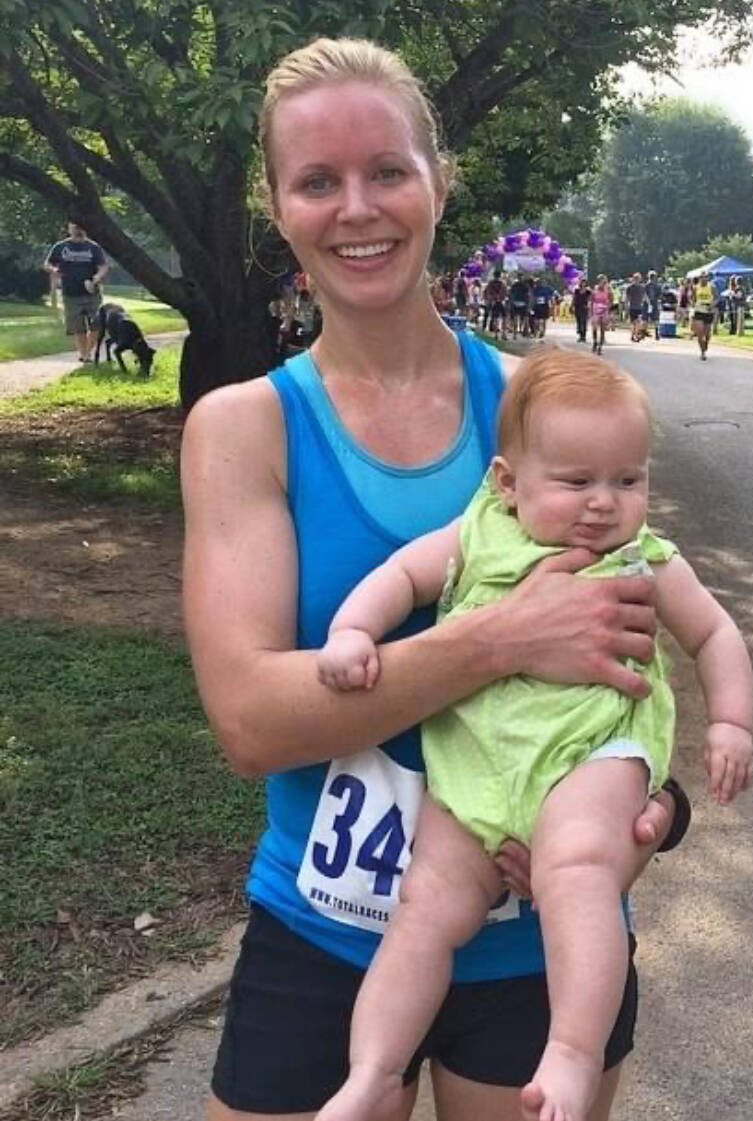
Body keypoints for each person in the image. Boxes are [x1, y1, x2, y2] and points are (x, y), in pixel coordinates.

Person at [181, 37, 687, 1121]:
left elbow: (640, 638)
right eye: (318, 180)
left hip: (531, 941)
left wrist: (657, 810)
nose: (357, 207)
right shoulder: (245, 428)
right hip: (323, 925)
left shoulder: (543, 408)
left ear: (438, 183)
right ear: (279, 207)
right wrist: (501, 638)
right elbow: (252, 721)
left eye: (388, 171)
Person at [315, 349, 753, 1121]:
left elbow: (714, 631)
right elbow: (403, 577)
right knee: (425, 907)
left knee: (579, 870)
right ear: (507, 481)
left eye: (628, 479)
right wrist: (355, 630)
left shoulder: (645, 557)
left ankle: (571, 1052)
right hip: (476, 768)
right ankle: (371, 1071)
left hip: (591, 755)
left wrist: (730, 721)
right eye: (577, 481)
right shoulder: (480, 533)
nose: (604, 503)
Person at [43, 220, 110, 363]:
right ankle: (84, 355)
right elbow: (47, 263)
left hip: (92, 293)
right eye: (75, 227)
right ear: (69, 228)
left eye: (81, 227)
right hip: (71, 293)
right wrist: (54, 270)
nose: (78, 230)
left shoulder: (93, 247)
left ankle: (87, 353)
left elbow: (103, 266)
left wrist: (96, 278)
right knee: (78, 327)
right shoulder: (60, 247)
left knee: (96, 325)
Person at [691, 274, 715, 360]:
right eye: (702, 277)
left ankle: (706, 344)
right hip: (699, 311)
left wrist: (712, 305)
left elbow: (716, 298)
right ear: (700, 279)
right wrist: (693, 306)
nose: (704, 279)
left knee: (707, 334)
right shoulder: (695, 287)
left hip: (708, 311)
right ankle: (702, 352)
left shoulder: (711, 287)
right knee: (700, 332)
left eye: (705, 277)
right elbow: (693, 299)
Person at [589, 275, 612, 355]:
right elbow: (591, 300)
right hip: (596, 310)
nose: (604, 283)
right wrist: (591, 311)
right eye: (603, 281)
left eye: (605, 282)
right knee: (595, 327)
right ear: (599, 281)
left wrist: (608, 307)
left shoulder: (607, 290)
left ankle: (600, 347)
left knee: (603, 329)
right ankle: (595, 341)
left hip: (604, 309)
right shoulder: (595, 290)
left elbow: (610, 299)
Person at [483, 270, 506, 337]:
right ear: (500, 275)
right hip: (500, 301)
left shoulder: (490, 283)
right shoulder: (502, 284)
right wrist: (501, 298)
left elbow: (487, 292)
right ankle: (503, 333)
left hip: (492, 301)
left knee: (491, 316)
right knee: (504, 317)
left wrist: (488, 299)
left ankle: (493, 332)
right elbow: (504, 293)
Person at [624, 272, 646, 342]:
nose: (637, 280)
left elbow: (644, 297)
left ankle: (636, 335)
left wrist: (644, 303)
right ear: (633, 279)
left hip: (639, 307)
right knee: (633, 322)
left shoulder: (642, 287)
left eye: (638, 279)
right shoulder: (630, 288)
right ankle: (633, 335)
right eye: (636, 279)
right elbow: (627, 298)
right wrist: (626, 306)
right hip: (632, 307)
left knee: (638, 321)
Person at [644, 270, 663, 340]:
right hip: (654, 303)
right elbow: (660, 295)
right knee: (655, 319)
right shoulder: (657, 286)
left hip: (647, 303)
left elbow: (644, 295)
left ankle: (645, 332)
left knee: (646, 318)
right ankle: (656, 333)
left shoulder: (646, 285)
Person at [571, 278, 591, 344]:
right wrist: (572, 306)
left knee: (584, 321)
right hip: (577, 307)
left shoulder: (588, 291)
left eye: (584, 283)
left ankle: (584, 336)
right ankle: (580, 335)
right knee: (579, 321)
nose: (583, 284)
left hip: (584, 308)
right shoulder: (577, 290)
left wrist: (589, 305)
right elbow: (574, 298)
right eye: (582, 282)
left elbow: (590, 299)